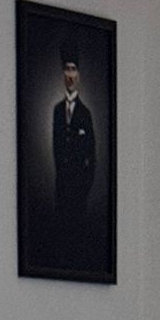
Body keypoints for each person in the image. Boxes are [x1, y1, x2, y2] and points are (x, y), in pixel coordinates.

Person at [51, 51, 96, 261]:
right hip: (62, 188)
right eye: (67, 69)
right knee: (61, 238)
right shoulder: (57, 111)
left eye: (73, 70)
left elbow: (92, 155)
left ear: (78, 75)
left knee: (78, 238)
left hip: (79, 190)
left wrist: (85, 184)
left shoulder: (85, 114)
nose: (70, 75)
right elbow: (55, 148)